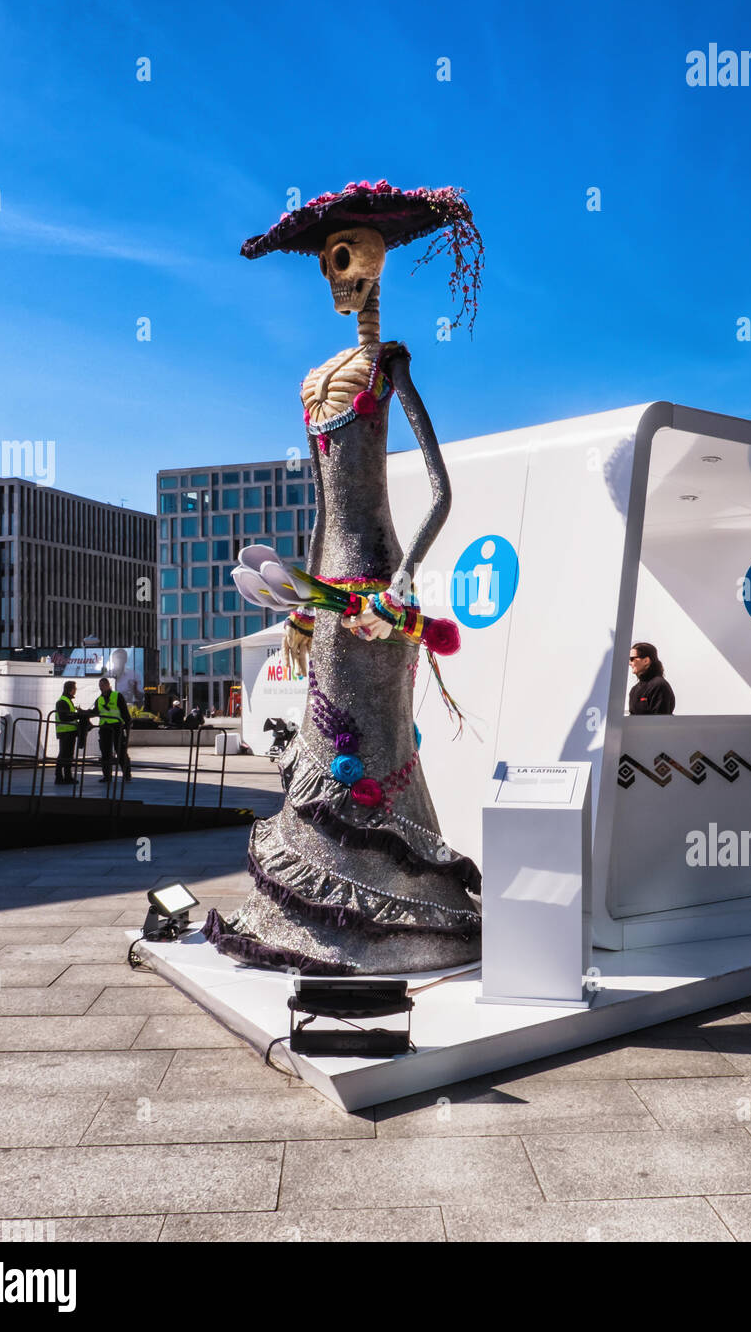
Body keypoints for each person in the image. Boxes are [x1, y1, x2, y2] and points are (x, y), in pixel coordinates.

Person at [204, 179, 484, 976]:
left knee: (377, 729)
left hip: (377, 580)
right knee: (328, 727)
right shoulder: (316, 374)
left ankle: (402, 906)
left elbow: (440, 491)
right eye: (329, 263)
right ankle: (331, 903)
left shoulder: (387, 365)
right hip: (330, 586)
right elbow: (325, 506)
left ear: (376, 263)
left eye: (348, 260)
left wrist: (401, 590)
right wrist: (300, 600)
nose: (339, 278)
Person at [92, 676, 132, 782]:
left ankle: (127, 775)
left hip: (116, 727)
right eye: (100, 686)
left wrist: (128, 727)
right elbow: (95, 712)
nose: (101, 688)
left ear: (108, 685)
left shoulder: (117, 696)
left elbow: (125, 712)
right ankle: (107, 776)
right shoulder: (99, 699)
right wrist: (83, 713)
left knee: (121, 752)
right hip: (104, 728)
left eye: (103, 686)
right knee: (105, 753)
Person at [628, 641, 676, 714]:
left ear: (646, 661)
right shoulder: (634, 690)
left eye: (632, 659)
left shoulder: (659, 686)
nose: (629, 663)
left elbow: (660, 722)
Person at [53, 680, 80, 785]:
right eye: (75, 688)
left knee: (68, 756)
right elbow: (64, 717)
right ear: (71, 690)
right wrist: (78, 715)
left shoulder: (66, 700)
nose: (75, 690)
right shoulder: (62, 701)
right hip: (66, 732)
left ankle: (67, 777)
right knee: (64, 755)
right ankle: (59, 777)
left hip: (69, 731)